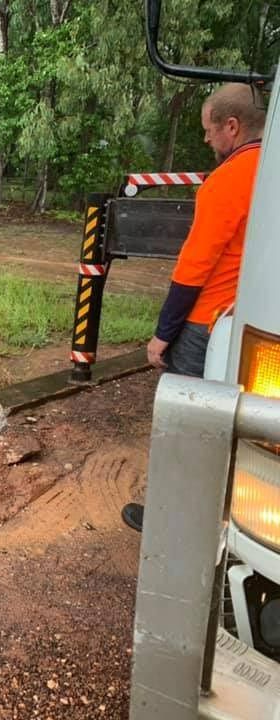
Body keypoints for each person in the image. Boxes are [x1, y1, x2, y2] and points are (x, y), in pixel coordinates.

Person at [123, 83, 266, 532]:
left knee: (184, 422)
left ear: (231, 126)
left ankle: (172, 517)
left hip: (205, 323)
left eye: (208, 131)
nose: (206, 140)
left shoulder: (228, 179)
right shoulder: (272, 171)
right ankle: (225, 513)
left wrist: (164, 332)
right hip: (247, 320)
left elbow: (193, 267)